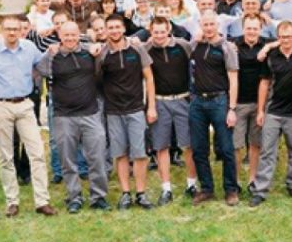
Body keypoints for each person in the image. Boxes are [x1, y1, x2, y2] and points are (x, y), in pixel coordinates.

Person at [0, 15, 56, 217]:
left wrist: (53, 52)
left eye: (15, 29)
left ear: (21, 31)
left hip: (24, 104)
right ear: (2, 30)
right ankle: (12, 201)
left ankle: (42, 201)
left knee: (37, 153)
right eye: (8, 29)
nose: (12, 32)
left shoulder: (29, 48)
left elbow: (44, 66)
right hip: (1, 105)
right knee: (5, 155)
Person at [35, 21, 109, 212]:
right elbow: (41, 70)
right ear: (60, 36)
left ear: (79, 35)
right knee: (67, 159)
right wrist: (49, 53)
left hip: (90, 112)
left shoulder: (89, 51)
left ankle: (98, 196)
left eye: (73, 34)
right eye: (66, 35)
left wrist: (97, 47)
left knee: (97, 157)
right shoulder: (54, 55)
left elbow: (108, 55)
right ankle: (74, 197)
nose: (70, 38)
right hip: (63, 115)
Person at [96, 14, 157, 210]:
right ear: (106, 30)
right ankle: (125, 194)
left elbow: (149, 77)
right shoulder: (102, 54)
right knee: (120, 153)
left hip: (136, 108)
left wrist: (151, 106)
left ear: (123, 29)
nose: (114, 31)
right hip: (113, 110)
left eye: (117, 27)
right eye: (110, 28)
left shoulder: (137, 49)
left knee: (139, 154)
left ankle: (141, 193)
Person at [250, 21, 292, 207]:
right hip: (273, 111)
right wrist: (260, 110)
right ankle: (260, 190)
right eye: (282, 37)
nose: (286, 40)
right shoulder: (271, 55)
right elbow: (264, 83)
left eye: (289, 36)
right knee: (267, 151)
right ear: (278, 38)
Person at [187, 11, 240, 206]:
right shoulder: (195, 45)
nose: (208, 28)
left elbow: (233, 80)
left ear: (217, 25)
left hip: (220, 101)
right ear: (200, 25)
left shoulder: (227, 48)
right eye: (205, 24)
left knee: (226, 148)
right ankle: (207, 188)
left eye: (211, 24)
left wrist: (232, 108)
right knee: (199, 149)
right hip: (197, 102)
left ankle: (231, 189)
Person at [143, 17, 197, 205]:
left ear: (169, 30)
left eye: (162, 31)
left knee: (188, 145)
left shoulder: (183, 46)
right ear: (150, 32)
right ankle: (166, 189)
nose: (159, 35)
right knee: (161, 146)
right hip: (159, 102)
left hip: (183, 100)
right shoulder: (145, 49)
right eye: (155, 32)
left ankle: (192, 184)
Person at [232, 14, 272, 191]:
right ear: (243, 29)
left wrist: (268, 46)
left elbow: (286, 40)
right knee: (236, 145)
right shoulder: (233, 44)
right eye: (248, 28)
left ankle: (252, 179)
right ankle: (235, 180)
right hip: (238, 102)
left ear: (260, 29)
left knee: (256, 143)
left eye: (255, 28)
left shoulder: (266, 44)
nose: (251, 32)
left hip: (259, 102)